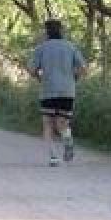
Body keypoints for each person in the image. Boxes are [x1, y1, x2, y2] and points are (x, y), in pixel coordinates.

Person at [29, 19, 87, 167]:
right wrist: (74, 78)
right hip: (68, 90)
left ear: (46, 32)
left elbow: (32, 70)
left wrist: (40, 77)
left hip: (48, 90)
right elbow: (83, 68)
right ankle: (68, 140)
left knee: (47, 123)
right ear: (62, 31)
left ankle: (53, 157)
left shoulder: (41, 48)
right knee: (62, 123)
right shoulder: (71, 47)